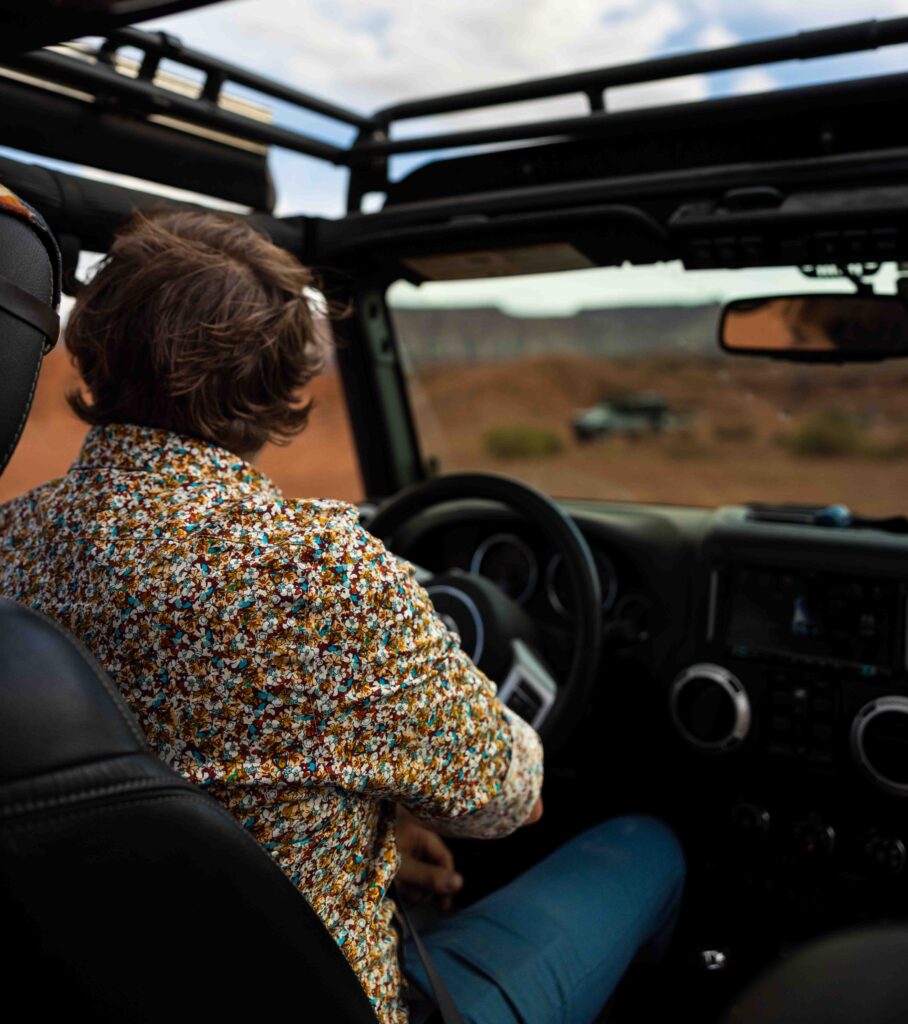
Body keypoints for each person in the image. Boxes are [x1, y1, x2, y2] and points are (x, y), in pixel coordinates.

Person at [0, 207, 684, 1024]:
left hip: (79, 984)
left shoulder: (11, 541)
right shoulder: (321, 575)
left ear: (93, 349)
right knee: (650, 847)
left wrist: (376, 829)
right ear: (285, 386)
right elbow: (510, 803)